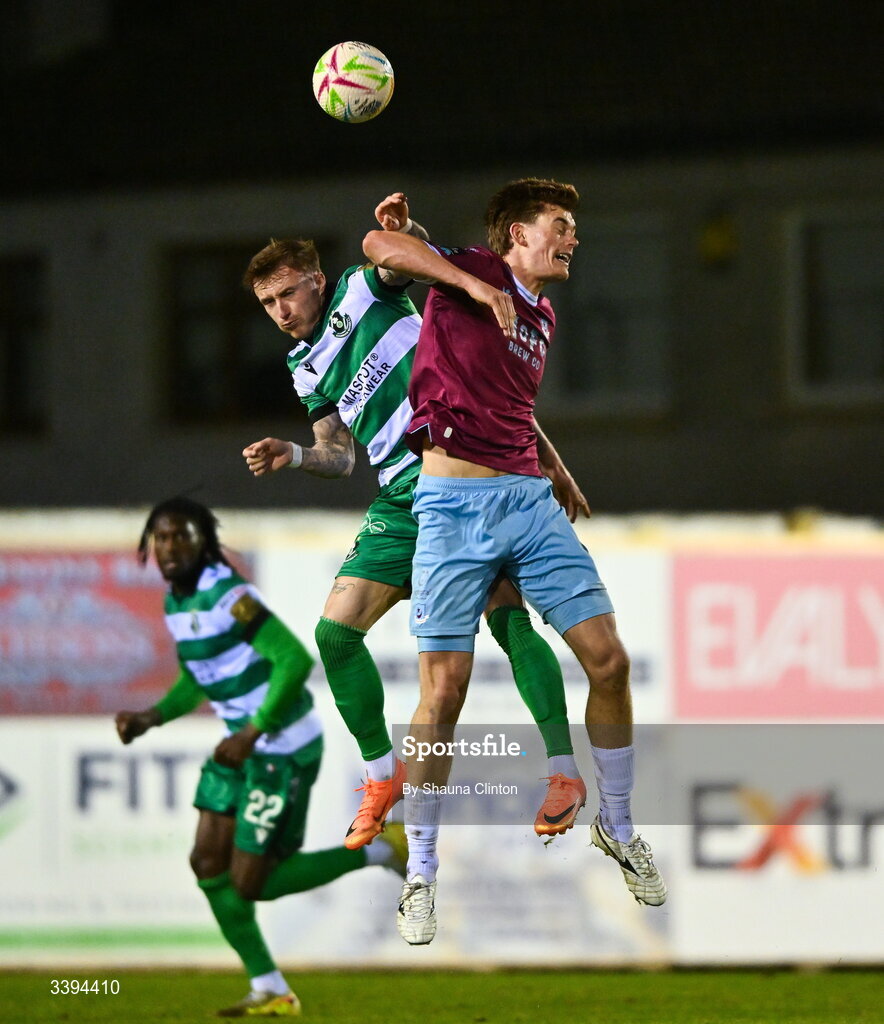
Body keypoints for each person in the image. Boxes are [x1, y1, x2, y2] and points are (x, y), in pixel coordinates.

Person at [363, 178, 667, 946]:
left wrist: (554, 464)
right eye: (560, 225)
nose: (572, 238)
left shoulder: (541, 312)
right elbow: (378, 248)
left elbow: (512, 405)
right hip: (450, 507)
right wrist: (461, 275)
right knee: (445, 691)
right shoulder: (474, 274)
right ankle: (422, 875)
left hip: (527, 500)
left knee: (609, 659)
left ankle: (620, 826)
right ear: (515, 235)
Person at [241, 193, 589, 854]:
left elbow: (408, 259)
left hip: (461, 477)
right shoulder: (302, 366)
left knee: (507, 617)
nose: (280, 312)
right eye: (267, 304)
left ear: (316, 280)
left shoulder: (360, 293)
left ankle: (563, 771)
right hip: (400, 499)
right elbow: (340, 456)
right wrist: (292, 455)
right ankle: (380, 778)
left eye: (287, 293)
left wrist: (408, 230)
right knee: (334, 634)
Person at [115, 496, 406, 1018]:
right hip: (243, 746)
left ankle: (382, 851)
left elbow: (294, 660)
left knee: (254, 881)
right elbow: (197, 678)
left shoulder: (229, 597)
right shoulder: (177, 605)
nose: (170, 547)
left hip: (282, 746)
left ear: (204, 542)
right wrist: (151, 717)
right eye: (161, 537)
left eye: (181, 535)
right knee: (206, 864)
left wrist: (252, 732)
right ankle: (269, 987)